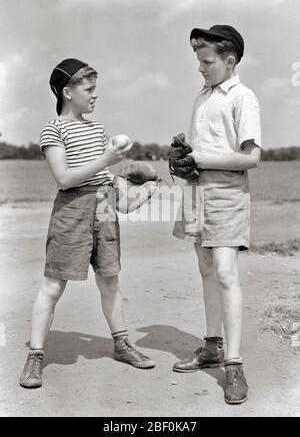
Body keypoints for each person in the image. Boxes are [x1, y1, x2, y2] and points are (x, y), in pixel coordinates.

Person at [20, 58, 155, 389]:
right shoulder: (53, 129)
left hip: (103, 205)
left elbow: (105, 177)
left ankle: (122, 344)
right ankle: (35, 355)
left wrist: (140, 192)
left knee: (110, 280)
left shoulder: (97, 129)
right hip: (72, 210)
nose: (95, 95)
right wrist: (107, 158)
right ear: (67, 92)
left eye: (96, 89)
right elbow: (64, 178)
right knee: (53, 285)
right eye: (89, 89)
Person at [172, 25, 262, 404]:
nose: (201, 68)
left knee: (225, 273)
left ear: (229, 60)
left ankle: (235, 364)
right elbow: (198, 148)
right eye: (199, 62)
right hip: (197, 192)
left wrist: (203, 158)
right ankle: (212, 346)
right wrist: (182, 155)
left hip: (226, 194)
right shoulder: (201, 98)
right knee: (206, 269)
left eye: (207, 62)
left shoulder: (243, 97)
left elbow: (252, 157)